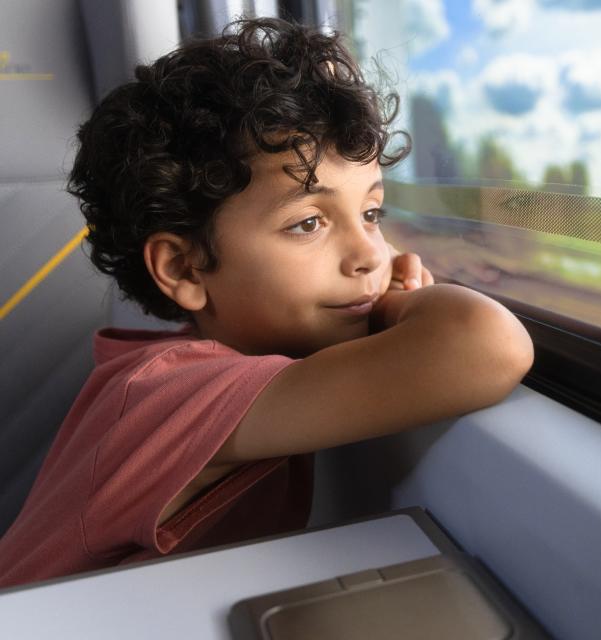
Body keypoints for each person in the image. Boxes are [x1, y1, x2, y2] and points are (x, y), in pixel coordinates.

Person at [0, 17, 533, 589]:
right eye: (308, 223)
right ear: (183, 268)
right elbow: (487, 347)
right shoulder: (173, 395)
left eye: (372, 214)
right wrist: (398, 306)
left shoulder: (202, 376)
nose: (370, 255)